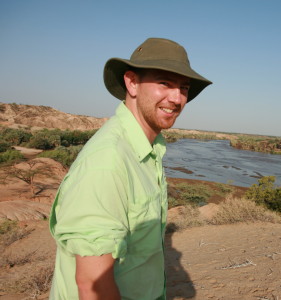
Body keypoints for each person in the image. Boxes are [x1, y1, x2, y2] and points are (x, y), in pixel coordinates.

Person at [49, 38, 212, 299]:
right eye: (164, 83)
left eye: (184, 88)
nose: (177, 98)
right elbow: (93, 285)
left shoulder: (148, 150)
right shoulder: (107, 162)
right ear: (132, 82)